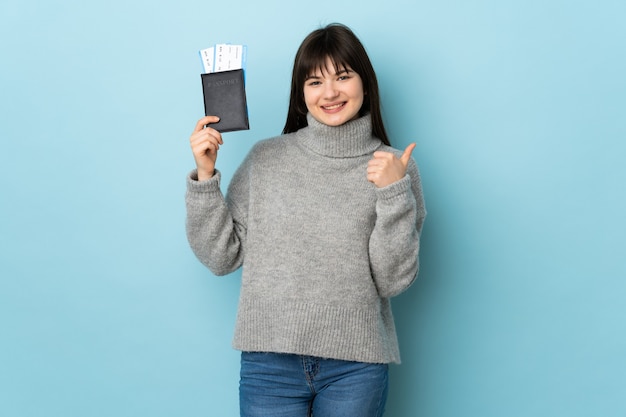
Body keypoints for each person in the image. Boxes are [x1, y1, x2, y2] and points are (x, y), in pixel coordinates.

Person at [186, 23, 426, 417]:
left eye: (343, 77)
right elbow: (220, 257)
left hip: (356, 366)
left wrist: (392, 194)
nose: (329, 93)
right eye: (315, 82)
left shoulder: (395, 168)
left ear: (365, 83)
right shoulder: (266, 160)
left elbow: (393, 280)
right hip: (269, 366)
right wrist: (206, 178)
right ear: (302, 93)